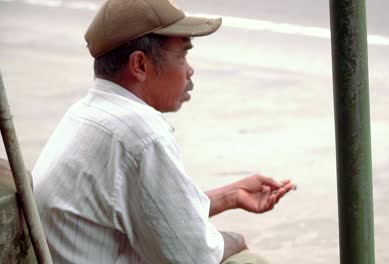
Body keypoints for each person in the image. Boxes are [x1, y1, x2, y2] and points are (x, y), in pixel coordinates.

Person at [32, 0, 295, 263]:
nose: (189, 70)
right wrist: (237, 243)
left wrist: (231, 196)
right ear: (140, 65)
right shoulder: (140, 132)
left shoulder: (88, 112)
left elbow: (158, 215)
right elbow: (195, 256)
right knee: (248, 260)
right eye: (182, 55)